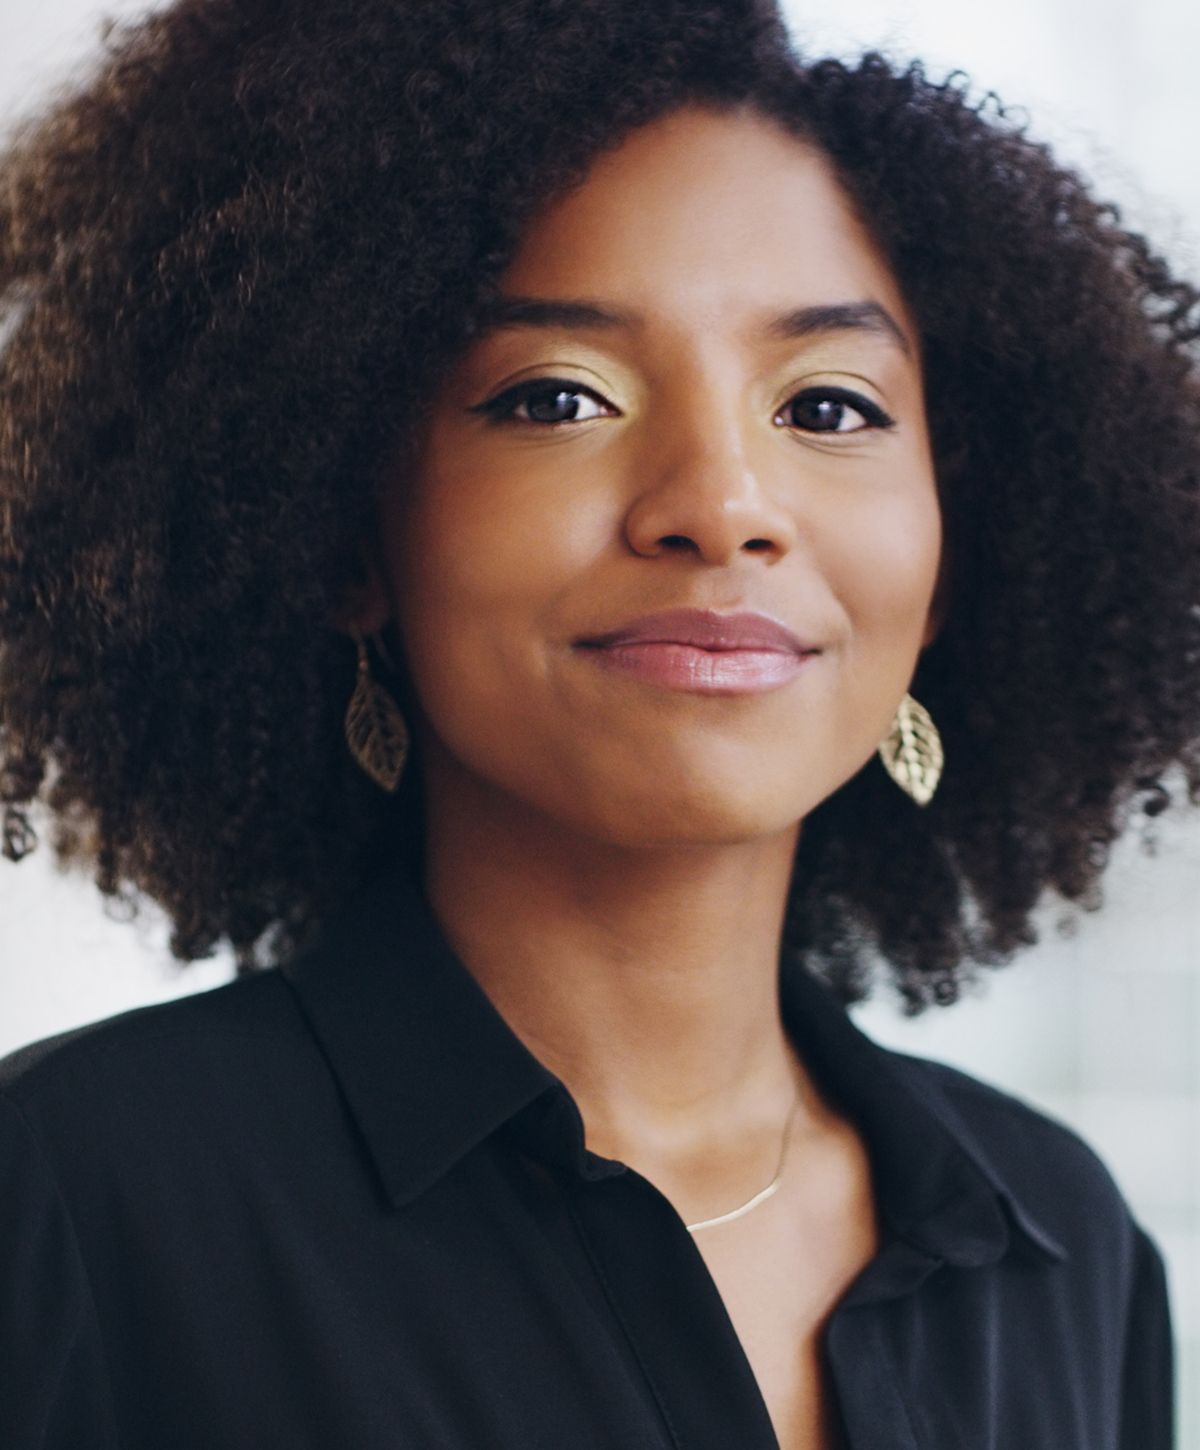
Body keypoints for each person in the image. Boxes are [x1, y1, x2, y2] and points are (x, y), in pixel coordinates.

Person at [0, 0, 1195, 1445]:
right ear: (342, 540)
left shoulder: (1061, 1244)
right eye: (558, 395)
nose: (722, 505)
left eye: (827, 406)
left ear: (957, 552)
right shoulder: (70, 1200)